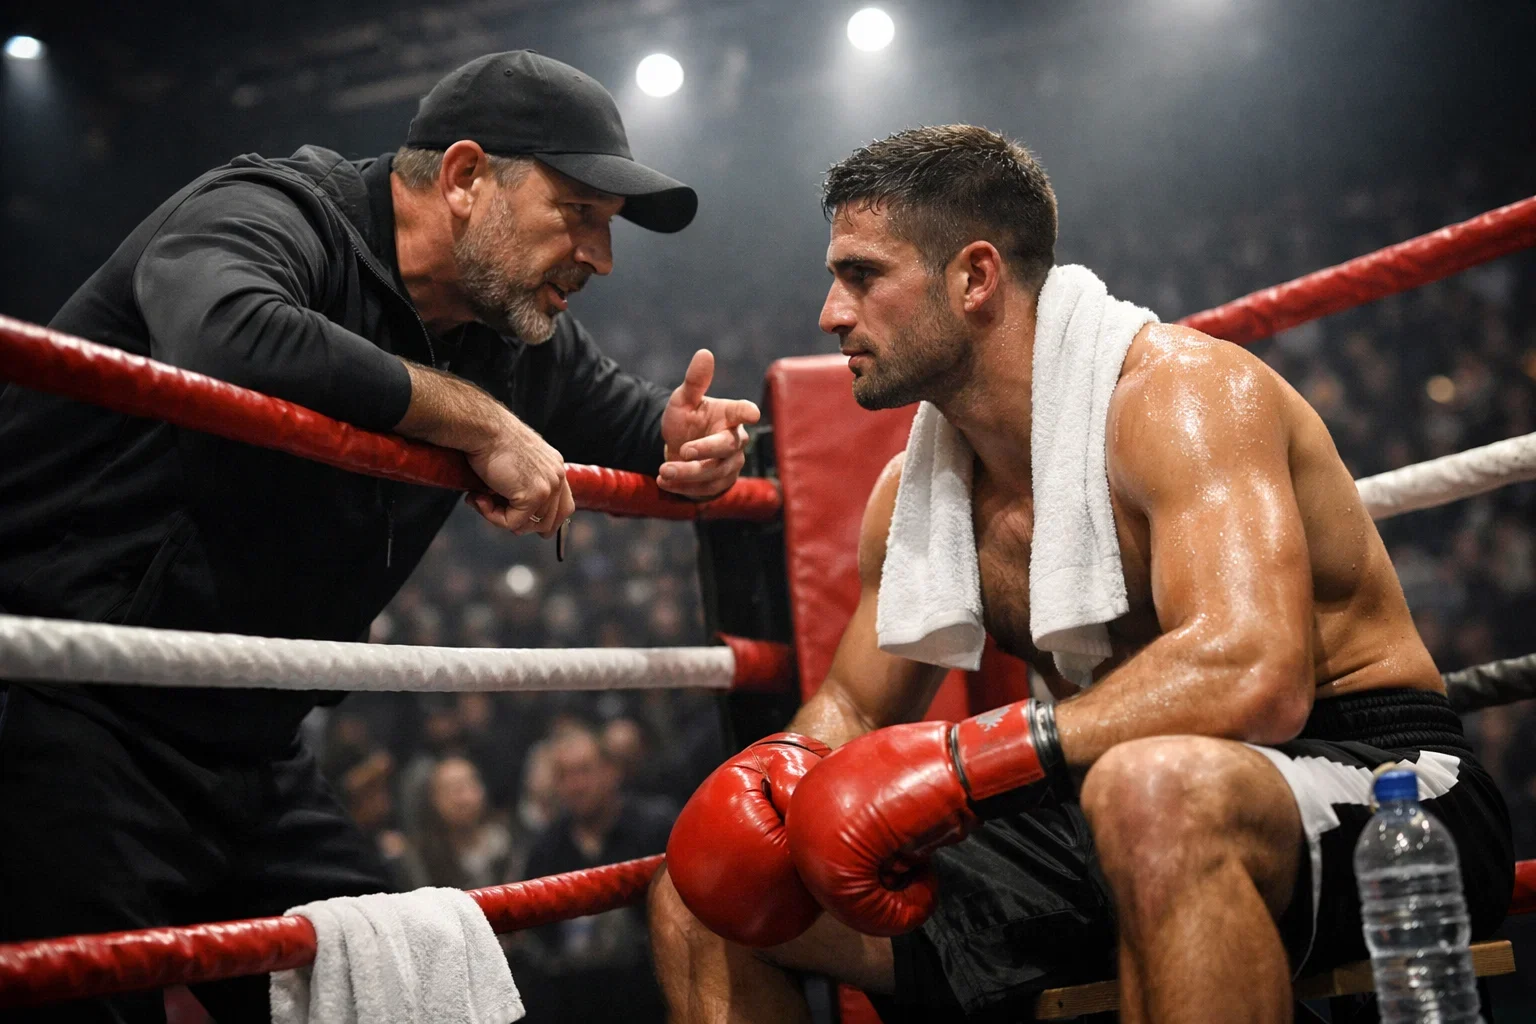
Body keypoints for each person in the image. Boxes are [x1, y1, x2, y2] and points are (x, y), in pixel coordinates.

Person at [649, 125, 1514, 1024]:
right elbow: (855, 709)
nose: (832, 312)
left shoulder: (1179, 398)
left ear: (975, 277)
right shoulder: (917, 493)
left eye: (863, 275)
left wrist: (969, 762)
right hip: (1111, 808)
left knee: (1149, 791)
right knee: (705, 897)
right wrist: (782, 774)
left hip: (1377, 779)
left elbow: (1255, 672)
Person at [0, 50, 757, 1022]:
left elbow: (628, 418)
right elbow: (226, 332)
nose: (601, 258)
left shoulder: (502, 325)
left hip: (250, 741)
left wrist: (687, 439)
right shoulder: (274, 212)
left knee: (404, 992)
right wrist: (475, 420)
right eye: (578, 213)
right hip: (62, 703)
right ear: (465, 177)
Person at [519, 724, 674, 1023]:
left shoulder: (656, 829)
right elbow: (540, 947)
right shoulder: (544, 851)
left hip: (651, 1001)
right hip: (574, 1007)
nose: (575, 785)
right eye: (564, 775)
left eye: (584, 771)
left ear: (610, 771)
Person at [402, 755, 512, 891]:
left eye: (470, 785)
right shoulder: (418, 856)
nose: (464, 799)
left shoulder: (502, 841)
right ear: (433, 799)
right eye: (452, 790)